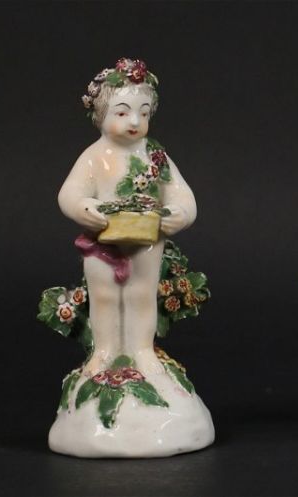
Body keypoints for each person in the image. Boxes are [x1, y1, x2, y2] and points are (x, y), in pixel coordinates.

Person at [59, 58, 197, 376]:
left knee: (142, 295)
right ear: (101, 114)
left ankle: (142, 350)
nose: (134, 121)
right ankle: (104, 350)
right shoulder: (94, 157)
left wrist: (179, 213)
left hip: (146, 242)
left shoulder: (155, 157)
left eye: (144, 113)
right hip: (102, 242)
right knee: (104, 296)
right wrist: (83, 208)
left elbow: (182, 194)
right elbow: (69, 193)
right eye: (122, 113)